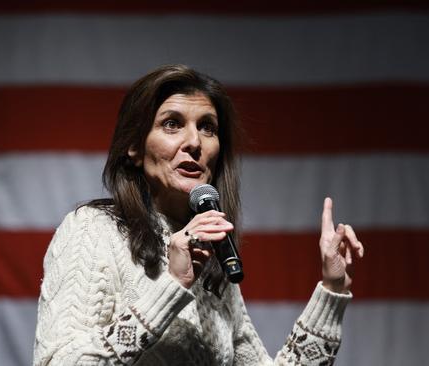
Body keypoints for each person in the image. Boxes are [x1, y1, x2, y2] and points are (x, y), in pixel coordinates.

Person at [32, 64, 365, 365]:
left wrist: (331, 289)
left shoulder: (213, 257)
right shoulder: (93, 230)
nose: (194, 142)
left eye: (208, 128)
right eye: (172, 124)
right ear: (133, 147)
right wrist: (173, 286)